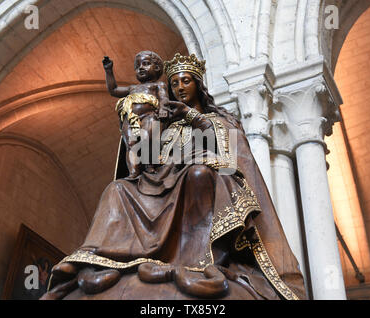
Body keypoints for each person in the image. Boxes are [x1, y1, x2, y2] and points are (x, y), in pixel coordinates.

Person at [42, 53, 306, 300]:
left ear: (198, 85)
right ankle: (99, 257)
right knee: (118, 189)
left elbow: (229, 156)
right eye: (175, 83)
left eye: (186, 81)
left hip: (197, 183)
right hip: (161, 184)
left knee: (198, 173)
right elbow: (149, 159)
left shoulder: (216, 118)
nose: (180, 87)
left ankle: (197, 260)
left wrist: (189, 116)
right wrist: (139, 130)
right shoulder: (168, 124)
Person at [103, 51, 169, 178]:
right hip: (131, 119)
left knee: (148, 138)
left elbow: (164, 98)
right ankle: (134, 171)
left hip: (150, 116)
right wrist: (108, 70)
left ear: (156, 68)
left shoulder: (158, 85)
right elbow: (113, 90)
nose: (141, 68)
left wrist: (163, 109)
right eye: (138, 66)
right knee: (131, 144)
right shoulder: (132, 88)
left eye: (145, 64)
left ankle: (150, 165)